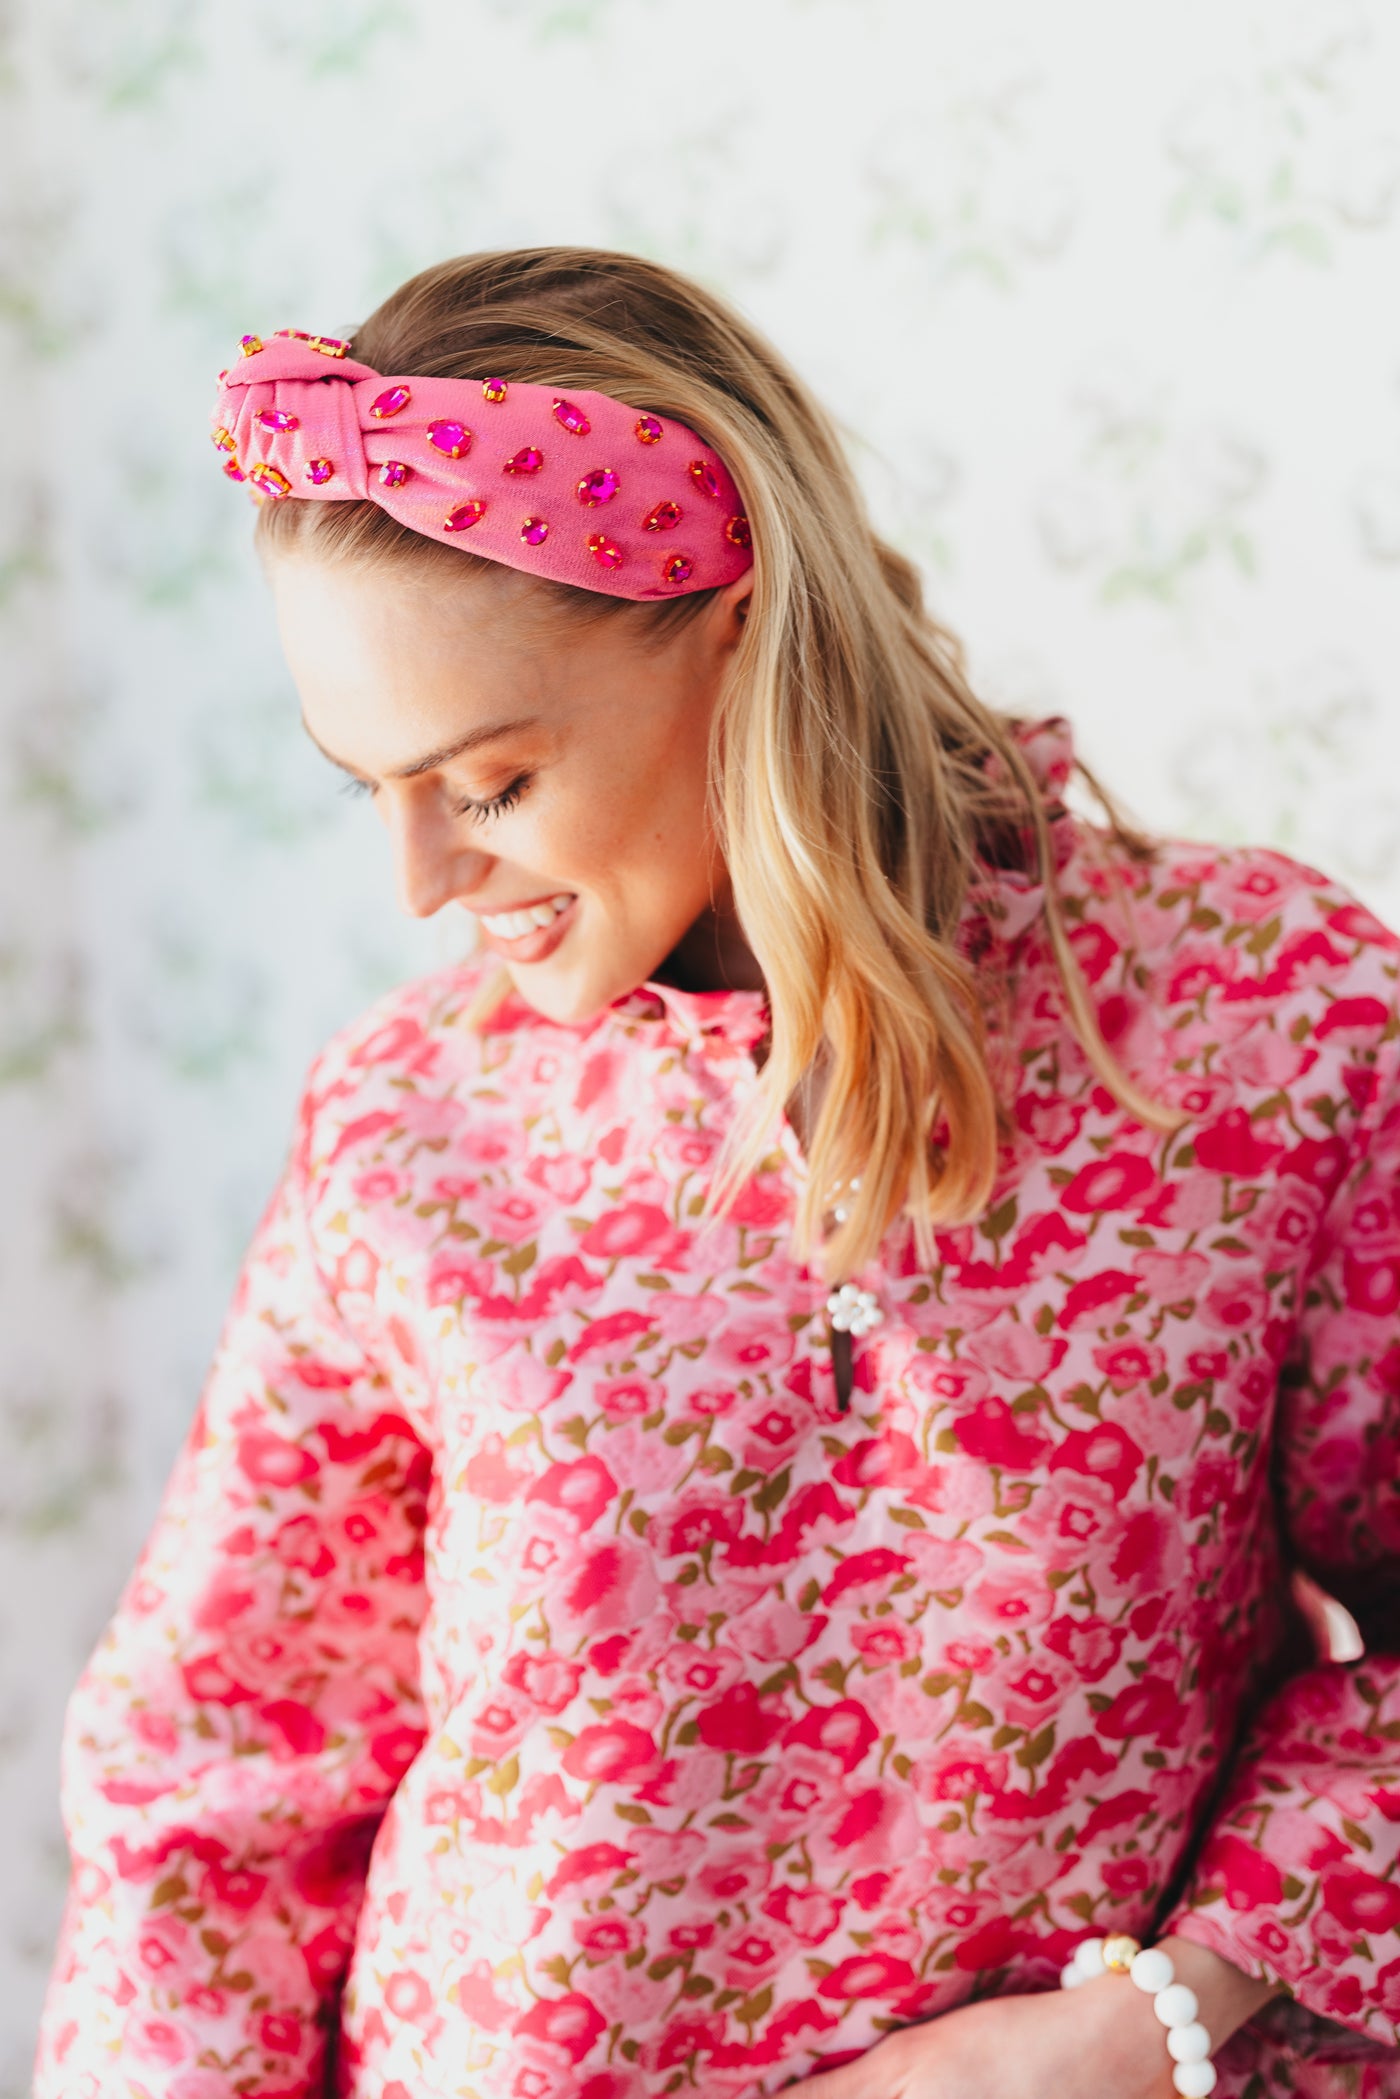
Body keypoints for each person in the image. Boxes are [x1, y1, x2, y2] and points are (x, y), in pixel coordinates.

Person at [31, 246, 1399, 2099]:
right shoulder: (405, 1130)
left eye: (491, 783)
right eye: (366, 787)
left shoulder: (1261, 1025)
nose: (420, 883)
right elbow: (209, 1799)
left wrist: (1148, 2023)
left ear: (736, 630)